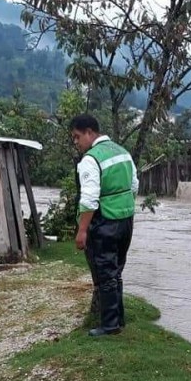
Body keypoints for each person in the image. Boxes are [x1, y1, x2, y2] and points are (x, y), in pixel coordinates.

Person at [70, 114, 138, 337]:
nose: (76, 142)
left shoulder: (91, 159)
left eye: (77, 137)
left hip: (106, 221)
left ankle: (110, 325)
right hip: (126, 220)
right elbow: (134, 186)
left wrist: (82, 231)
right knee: (116, 270)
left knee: (106, 273)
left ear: (90, 132)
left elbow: (89, 199)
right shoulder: (123, 152)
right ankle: (119, 318)